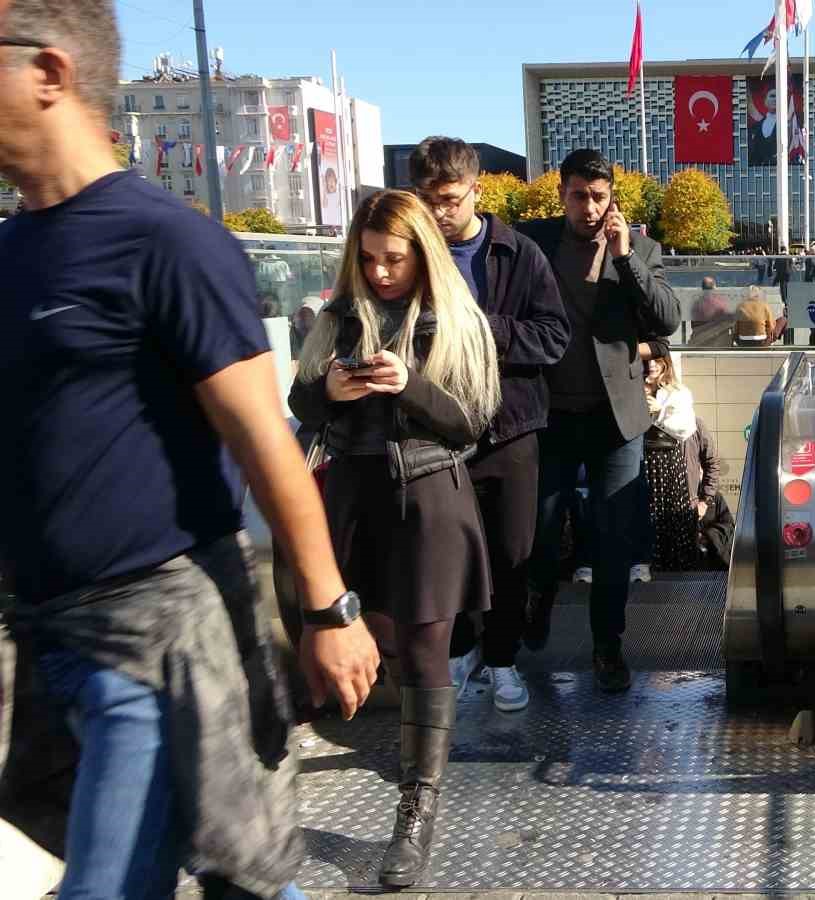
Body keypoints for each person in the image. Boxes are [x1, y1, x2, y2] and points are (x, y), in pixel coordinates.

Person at [0, 2, 379, 896]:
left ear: (49, 73)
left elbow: (264, 441)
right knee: (233, 879)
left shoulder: (165, 240)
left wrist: (330, 613)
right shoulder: (11, 250)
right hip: (39, 639)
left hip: (155, 643)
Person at [288, 189, 500, 888]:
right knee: (353, 632)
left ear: (422, 256)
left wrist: (408, 384)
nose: (380, 273)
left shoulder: (452, 317)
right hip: (356, 495)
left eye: (395, 260)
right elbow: (299, 401)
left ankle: (418, 808)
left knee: (422, 649)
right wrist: (332, 393)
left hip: (430, 498)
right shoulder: (338, 317)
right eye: (370, 258)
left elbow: (471, 421)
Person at [408, 137, 570, 714]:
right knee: (442, 554)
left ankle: (502, 660)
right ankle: (459, 650)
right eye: (428, 200)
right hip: (432, 434)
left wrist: (484, 329)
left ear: (477, 189)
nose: (439, 212)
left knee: (511, 553)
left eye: (450, 199)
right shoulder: (410, 253)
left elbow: (553, 338)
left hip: (510, 429)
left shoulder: (519, 253)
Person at [519, 149, 680, 693]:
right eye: (578, 195)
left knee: (612, 544)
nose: (588, 207)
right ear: (561, 193)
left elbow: (666, 320)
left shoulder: (641, 249)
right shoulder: (532, 242)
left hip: (616, 423)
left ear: (613, 199)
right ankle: (538, 597)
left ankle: (607, 647)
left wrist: (627, 257)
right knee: (539, 531)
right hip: (550, 417)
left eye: (598, 197)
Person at [639, 352, 720, 572]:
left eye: (656, 360)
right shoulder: (633, 392)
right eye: (646, 362)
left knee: (678, 541)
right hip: (646, 477)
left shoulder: (680, 395)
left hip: (679, 486)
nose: (652, 366)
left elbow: (710, 459)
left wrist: (705, 500)